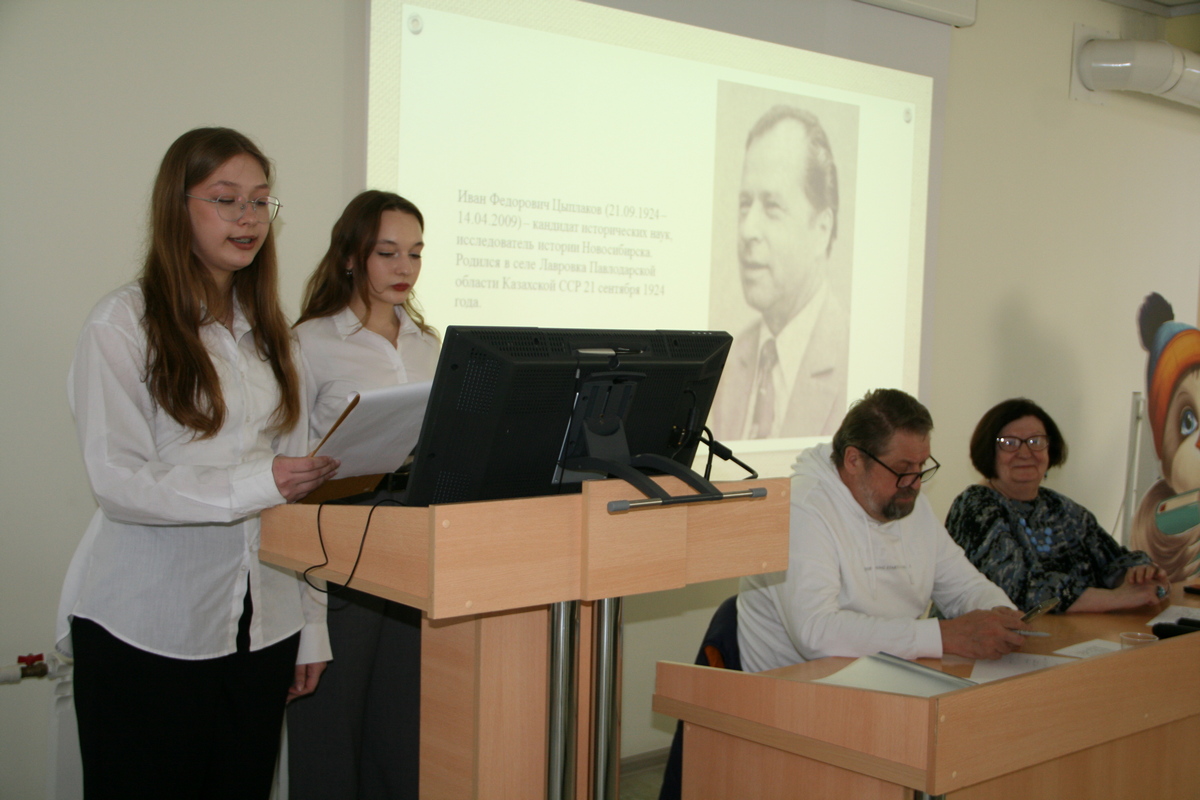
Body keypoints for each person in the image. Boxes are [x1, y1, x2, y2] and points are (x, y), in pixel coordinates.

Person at [57, 127, 338, 799]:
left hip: (263, 625)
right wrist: (258, 483)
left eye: (260, 201)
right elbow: (119, 481)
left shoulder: (274, 337)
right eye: (225, 198)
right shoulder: (122, 323)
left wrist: (311, 625)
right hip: (148, 626)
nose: (248, 217)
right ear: (176, 207)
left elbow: (297, 487)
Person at [287, 190, 438, 800]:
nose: (405, 268)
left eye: (416, 253)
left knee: (402, 735)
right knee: (329, 730)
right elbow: (285, 471)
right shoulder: (308, 342)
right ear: (351, 256)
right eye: (387, 252)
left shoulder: (431, 346)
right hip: (336, 550)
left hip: (414, 547)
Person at [737, 389, 1028, 673]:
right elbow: (817, 632)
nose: (915, 482)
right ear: (853, 460)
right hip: (796, 691)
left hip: (887, 678)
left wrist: (1001, 615)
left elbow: (964, 587)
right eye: (903, 469)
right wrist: (942, 636)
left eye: (921, 466)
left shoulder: (909, 503)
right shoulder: (799, 508)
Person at [946, 398, 1167, 614]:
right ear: (989, 451)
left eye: (1036, 442)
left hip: (1070, 632)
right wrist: (1119, 598)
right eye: (1009, 443)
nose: (1025, 453)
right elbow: (1018, 590)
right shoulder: (975, 506)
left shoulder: (1061, 507)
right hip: (990, 635)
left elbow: (1113, 561)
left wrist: (1138, 574)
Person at [709, 104, 849, 441]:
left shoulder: (854, 357)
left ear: (821, 230)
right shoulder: (727, 360)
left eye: (772, 206)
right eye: (745, 204)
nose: (747, 230)